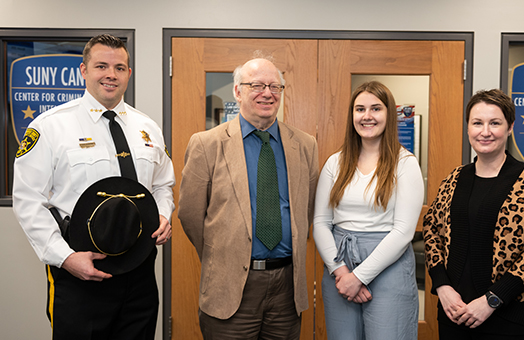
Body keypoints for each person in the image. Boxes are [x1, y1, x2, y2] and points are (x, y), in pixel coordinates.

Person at [13, 34, 175, 339]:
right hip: (79, 269)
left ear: (129, 73)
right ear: (84, 70)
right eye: (101, 66)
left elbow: (164, 185)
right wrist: (65, 258)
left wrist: (163, 214)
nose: (111, 74)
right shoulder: (50, 127)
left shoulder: (147, 127)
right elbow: (28, 200)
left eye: (119, 67)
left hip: (139, 271)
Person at [178, 56, 319, 339]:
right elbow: (191, 215)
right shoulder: (207, 145)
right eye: (256, 85)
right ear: (237, 91)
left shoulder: (304, 145)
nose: (267, 93)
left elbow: (307, 209)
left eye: (274, 87)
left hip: (286, 289)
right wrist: (224, 254)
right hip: (229, 288)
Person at [423, 89, 524, 340]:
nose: (485, 131)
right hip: (455, 314)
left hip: (511, 319)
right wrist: (442, 287)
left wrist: (492, 300)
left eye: (495, 123)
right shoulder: (453, 179)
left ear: (509, 128)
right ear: (468, 128)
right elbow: (431, 231)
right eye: (477, 123)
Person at [313, 81, 424, 339]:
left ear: (388, 115)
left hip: (389, 265)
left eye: (376, 108)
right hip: (339, 265)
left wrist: (359, 277)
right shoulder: (335, 162)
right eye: (360, 109)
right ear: (352, 115)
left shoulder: (405, 164)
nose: (367, 116)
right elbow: (320, 222)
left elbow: (404, 231)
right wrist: (342, 273)